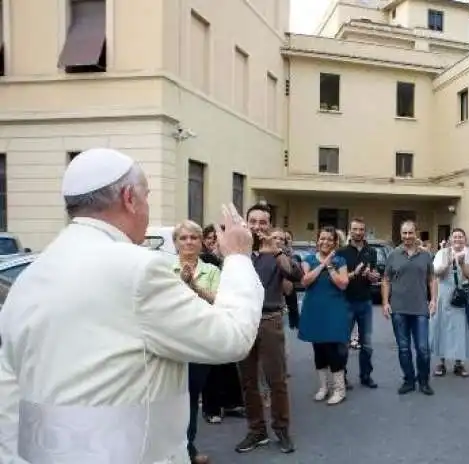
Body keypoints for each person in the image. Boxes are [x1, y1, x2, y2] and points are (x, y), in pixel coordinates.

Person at [0, 148, 263, 462]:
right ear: (129, 198)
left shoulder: (31, 275)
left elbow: (8, 386)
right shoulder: (139, 270)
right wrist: (237, 257)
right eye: (147, 197)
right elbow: (231, 338)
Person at [235, 204, 302, 455]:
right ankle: (256, 431)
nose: (257, 227)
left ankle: (282, 430)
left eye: (263, 222)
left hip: (269, 320)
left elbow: (295, 275)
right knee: (248, 381)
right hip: (242, 322)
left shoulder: (276, 252)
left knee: (277, 380)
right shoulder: (238, 253)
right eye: (253, 221)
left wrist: (276, 252)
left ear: (269, 225)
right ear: (246, 223)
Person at [172, 220, 222, 463]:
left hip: (198, 341)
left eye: (193, 237)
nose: (189, 242)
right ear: (175, 243)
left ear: (201, 242)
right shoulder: (163, 269)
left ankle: (188, 450)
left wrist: (193, 285)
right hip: (169, 342)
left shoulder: (212, 270)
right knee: (166, 397)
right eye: (183, 238)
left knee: (191, 397)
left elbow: (217, 301)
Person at [382, 220, 436, 396]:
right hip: (399, 309)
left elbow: (431, 279)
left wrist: (434, 299)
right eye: (404, 233)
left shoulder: (426, 255)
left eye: (410, 233)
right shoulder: (393, 255)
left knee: (423, 348)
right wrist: (385, 303)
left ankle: (424, 381)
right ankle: (409, 380)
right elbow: (386, 280)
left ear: (416, 233)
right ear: (400, 234)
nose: (407, 237)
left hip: (420, 308)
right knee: (403, 348)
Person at [299, 227, 351, 405]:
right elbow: (305, 281)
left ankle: (339, 389)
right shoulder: (308, 259)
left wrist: (329, 265)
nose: (325, 242)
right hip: (314, 309)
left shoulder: (340, 260)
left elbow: (343, 284)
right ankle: (323, 387)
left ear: (335, 242)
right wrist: (322, 264)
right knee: (318, 349)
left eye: (330, 239)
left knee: (333, 348)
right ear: (317, 240)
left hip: (334, 310)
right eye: (322, 238)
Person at [431, 228, 469, 377]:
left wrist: (462, 264)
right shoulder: (442, 253)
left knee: (461, 329)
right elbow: (435, 273)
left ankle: (459, 363)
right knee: (443, 327)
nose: (458, 239)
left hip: (463, 296)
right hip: (445, 295)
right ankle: (441, 362)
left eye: (461, 237)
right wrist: (448, 263)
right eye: (455, 237)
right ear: (450, 239)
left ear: (465, 239)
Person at [339, 218, 380, 388]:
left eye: (361, 229)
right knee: (343, 343)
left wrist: (373, 276)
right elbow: (340, 278)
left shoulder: (371, 252)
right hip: (346, 301)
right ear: (350, 231)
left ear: (365, 231)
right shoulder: (342, 252)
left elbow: (375, 273)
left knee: (367, 343)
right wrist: (354, 274)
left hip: (366, 302)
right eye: (355, 229)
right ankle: (342, 377)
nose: (358, 232)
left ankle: (366, 376)